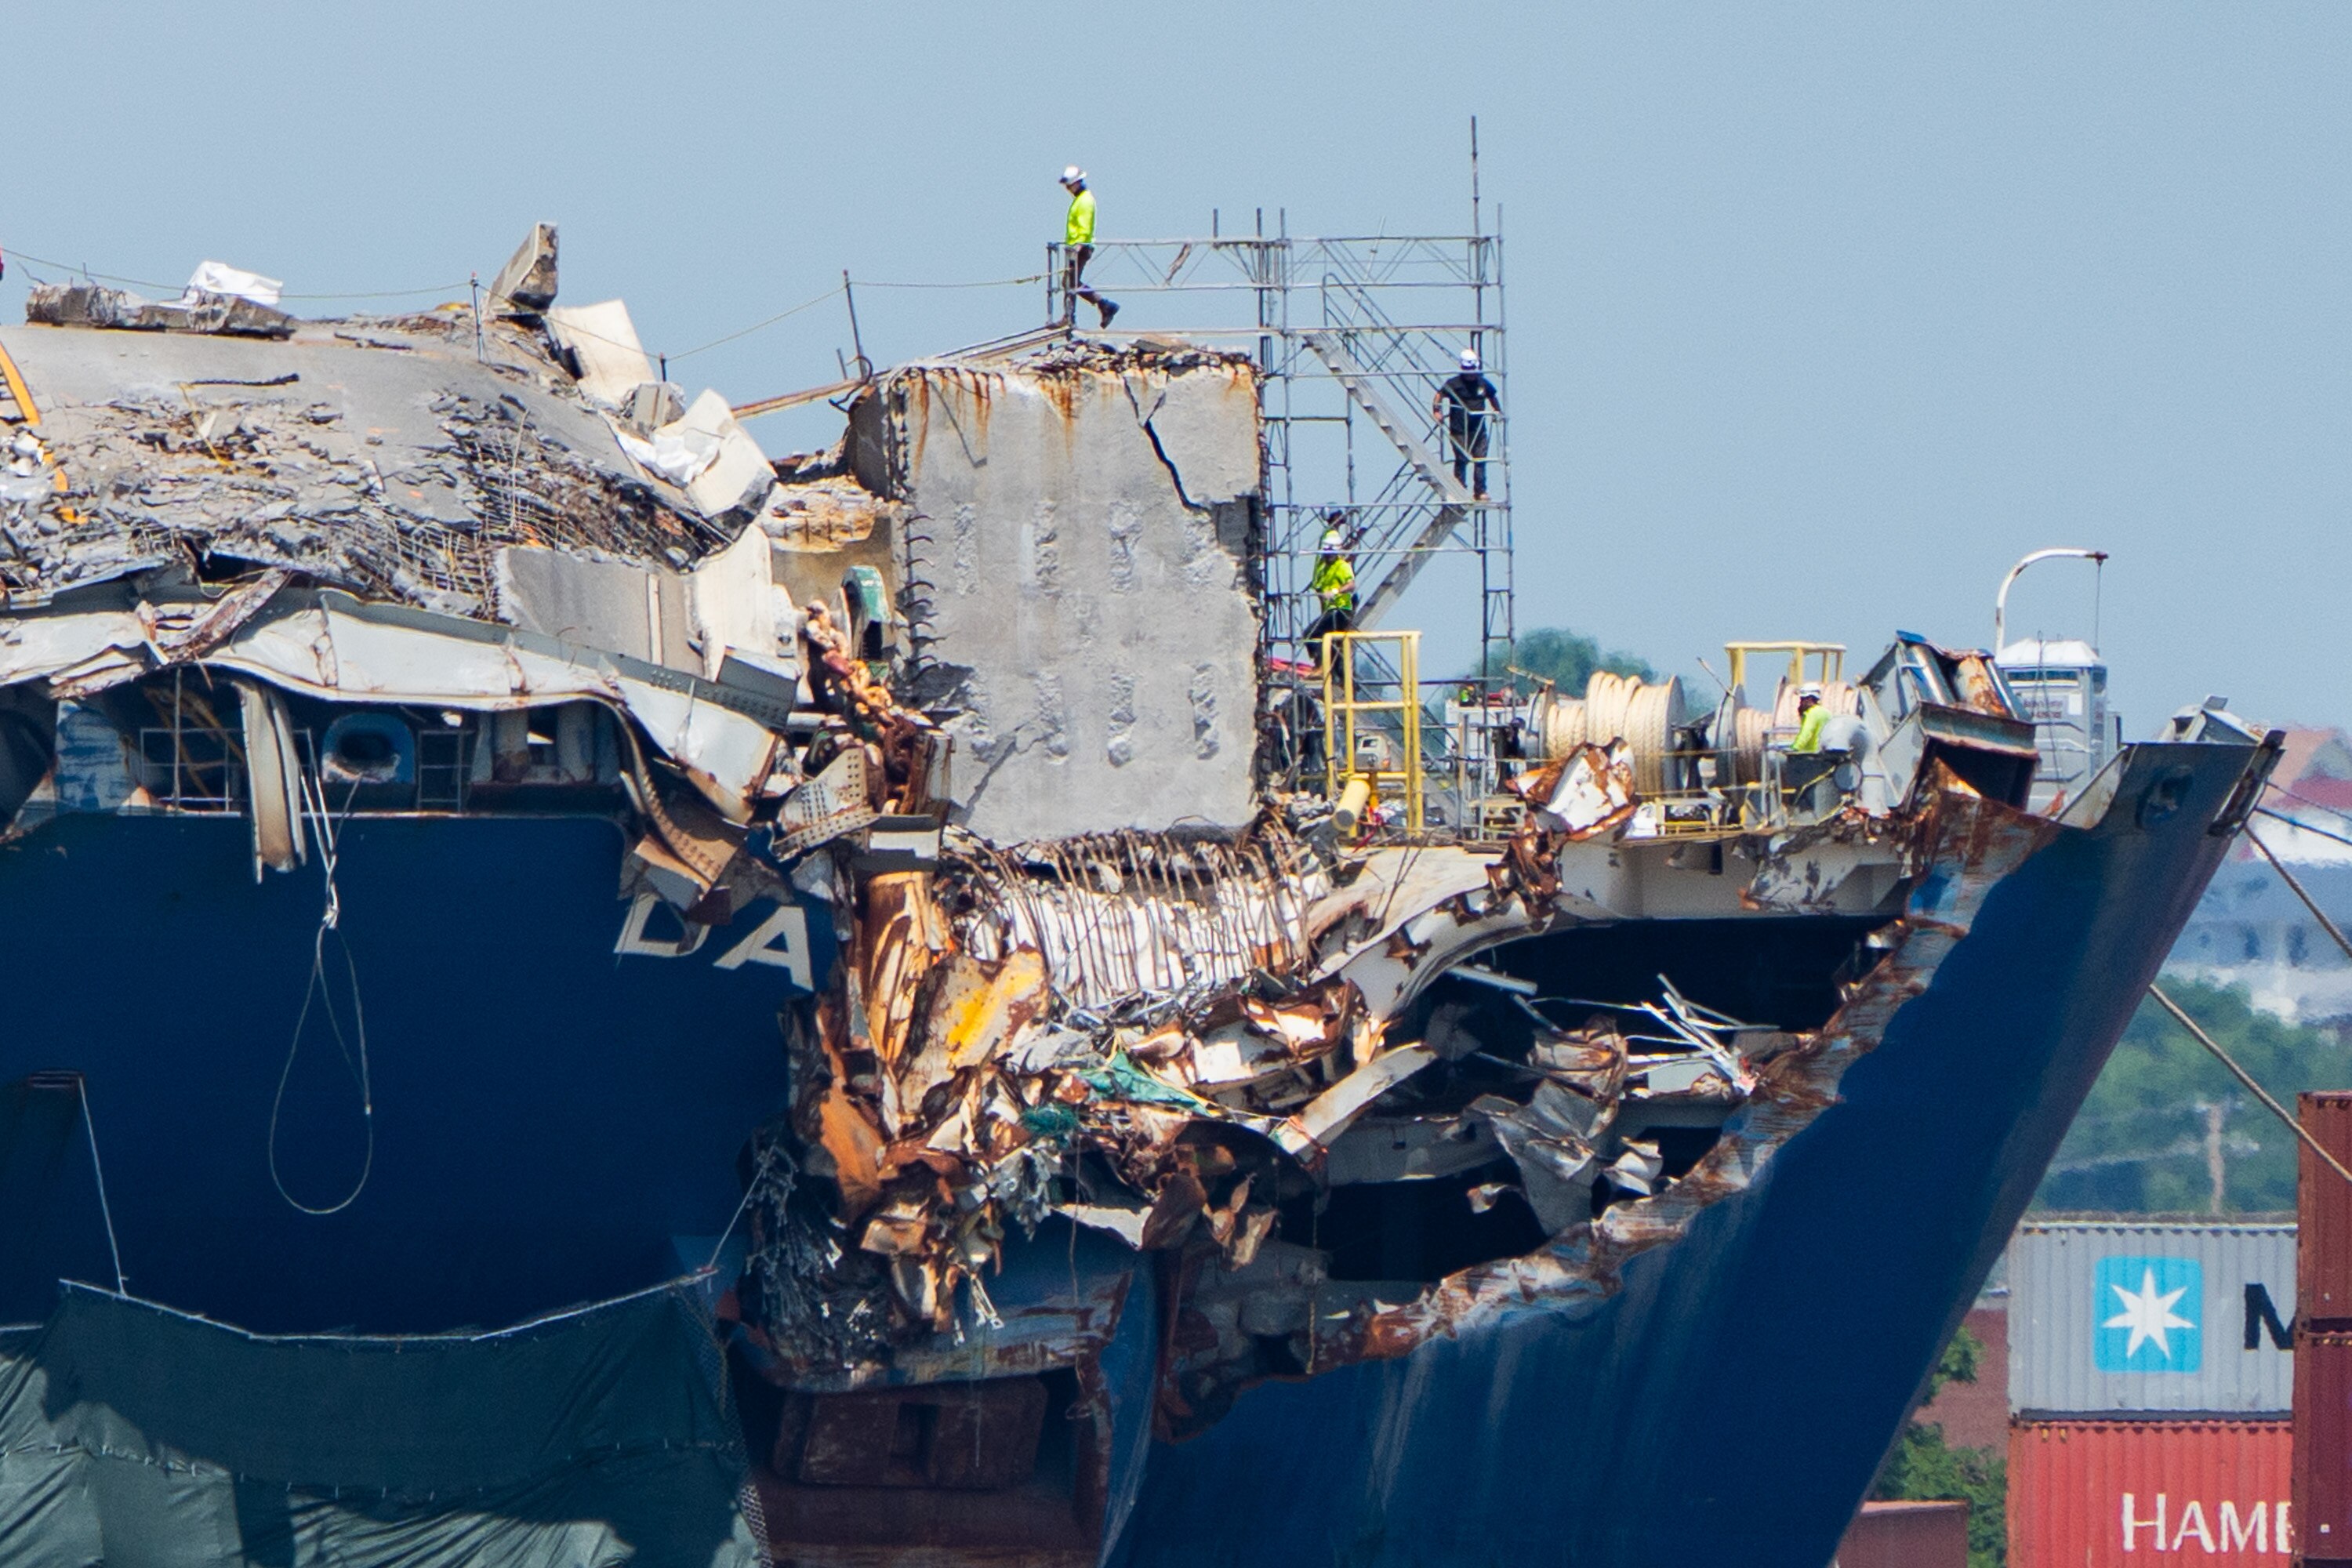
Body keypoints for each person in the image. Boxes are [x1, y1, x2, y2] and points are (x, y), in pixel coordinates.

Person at [1432, 348, 1500, 498]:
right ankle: (1459, 487)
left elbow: (1492, 396)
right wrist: (1437, 411)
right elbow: (1439, 395)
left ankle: (1480, 491)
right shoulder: (1454, 384)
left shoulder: (1482, 383)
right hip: (1459, 429)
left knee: (1480, 459)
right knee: (1461, 459)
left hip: (1478, 429)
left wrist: (1497, 410)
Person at [1058, 167, 1119, 330]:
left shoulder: (1085, 201)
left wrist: (1079, 245)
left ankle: (1101, 305)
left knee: (1070, 282)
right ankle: (1099, 306)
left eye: (1069, 186)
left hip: (1081, 247)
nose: (1068, 189)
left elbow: (1085, 226)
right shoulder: (1080, 200)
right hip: (1075, 247)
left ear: (1077, 183)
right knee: (1070, 282)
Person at [1304, 517, 1356, 663]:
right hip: (1330, 609)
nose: (1327, 557)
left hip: (1340, 609)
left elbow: (1351, 585)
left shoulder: (1342, 566)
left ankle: (1321, 666)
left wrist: (1336, 592)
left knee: (1312, 633)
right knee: (1333, 643)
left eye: (1330, 554)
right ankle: (1339, 674)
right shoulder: (1325, 567)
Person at [1790, 685, 1828, 753]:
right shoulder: (1826, 713)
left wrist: (1795, 748)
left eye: (1802, 699)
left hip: (1811, 755)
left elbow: (1806, 734)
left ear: (1809, 699)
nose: (1800, 703)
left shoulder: (1811, 714)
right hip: (1823, 754)